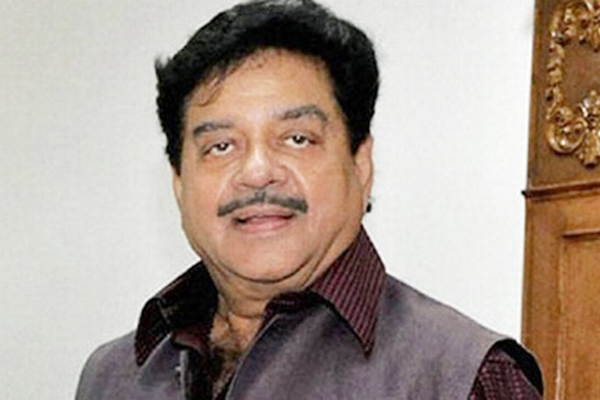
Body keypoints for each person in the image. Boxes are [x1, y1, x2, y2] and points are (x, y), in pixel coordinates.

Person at [75, 0, 543, 398]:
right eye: (220, 146)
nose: (256, 171)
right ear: (179, 183)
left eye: (296, 138)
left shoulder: (463, 378)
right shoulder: (113, 377)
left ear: (361, 164)